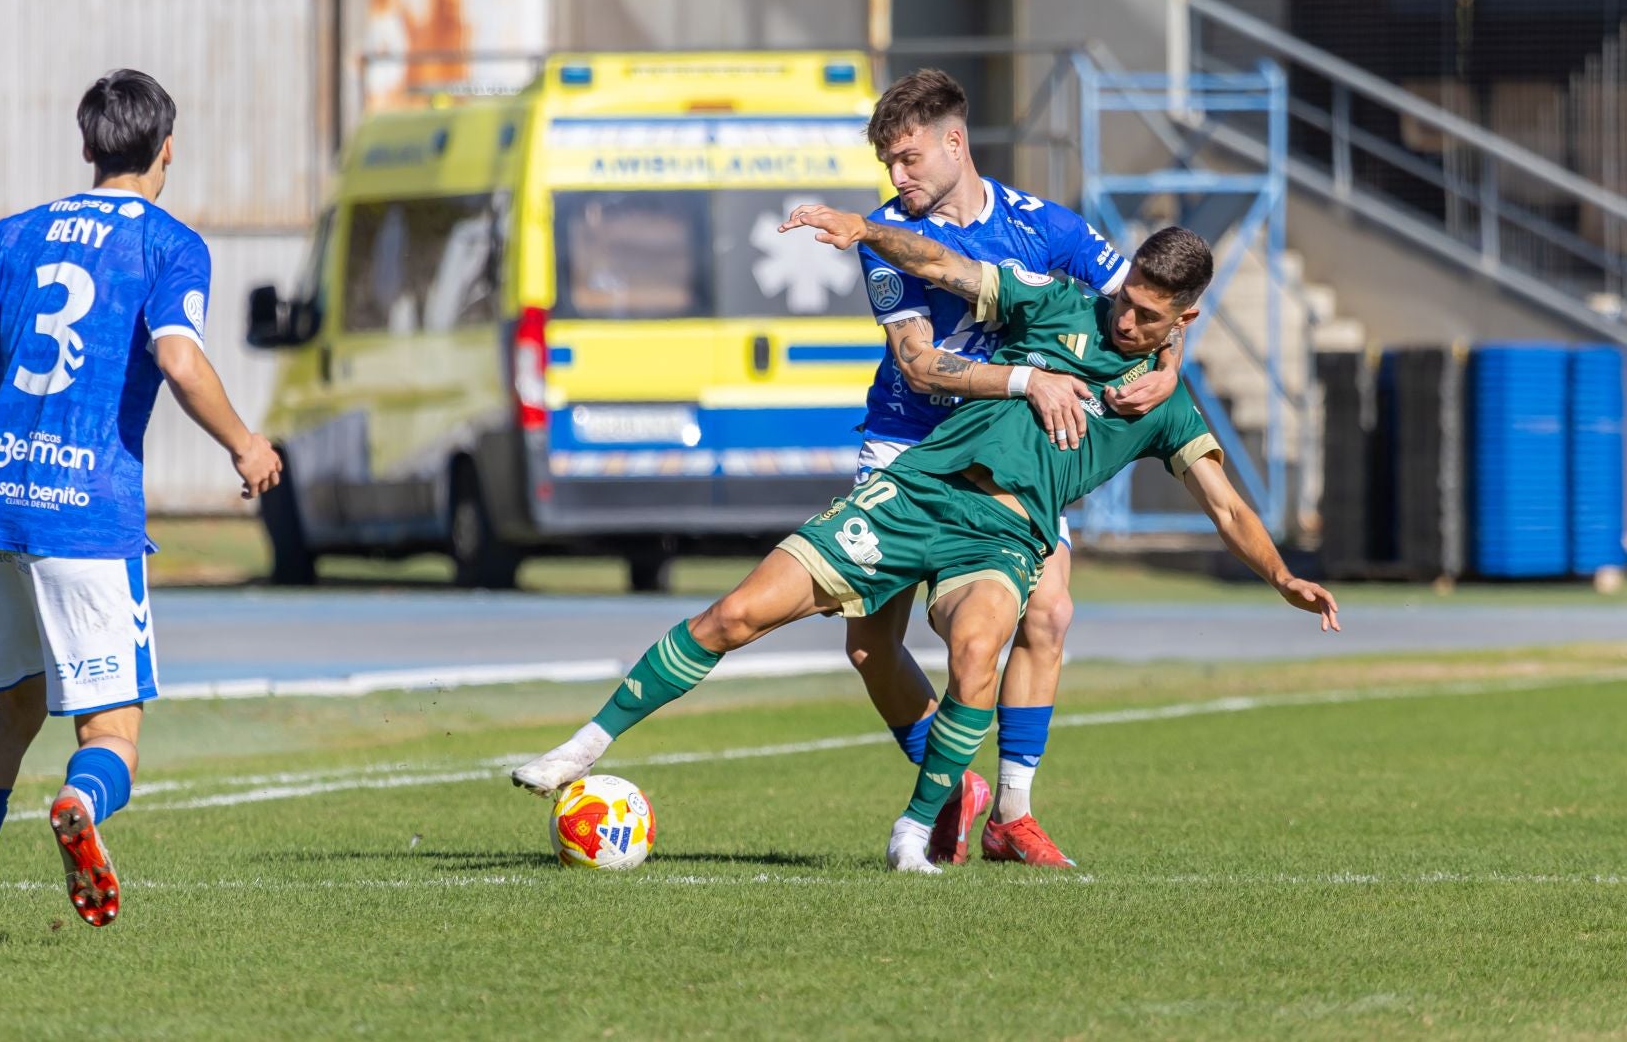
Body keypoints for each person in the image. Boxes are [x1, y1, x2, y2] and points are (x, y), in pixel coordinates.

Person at [510, 220, 1337, 873]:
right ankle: (581, 747)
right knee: (736, 615)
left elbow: (1226, 506)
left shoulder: (1167, 405)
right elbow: (947, 267)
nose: (1125, 318)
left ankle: (915, 830)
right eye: (1126, 301)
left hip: (1006, 536)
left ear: (1184, 320)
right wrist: (868, 232)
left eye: (1149, 316)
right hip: (916, 491)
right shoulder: (1056, 304)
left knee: (979, 650)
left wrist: (1281, 575)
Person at [0, 69, 281, 943]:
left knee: (13, 710)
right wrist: (245, 444)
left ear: (85, 147)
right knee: (112, 730)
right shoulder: (171, 244)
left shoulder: (17, 231)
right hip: (88, 510)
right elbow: (181, 361)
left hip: (3, 502)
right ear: (167, 147)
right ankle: (79, 802)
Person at [844, 69, 1183, 868]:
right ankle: (952, 779)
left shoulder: (1046, 228)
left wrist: (1169, 365)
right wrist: (1032, 379)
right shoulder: (887, 238)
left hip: (1007, 446)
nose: (897, 178)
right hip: (907, 441)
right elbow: (920, 366)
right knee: (868, 644)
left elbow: (1145, 302)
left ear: (953, 142)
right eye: (888, 164)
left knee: (1050, 613)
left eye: (907, 158)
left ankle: (1013, 815)